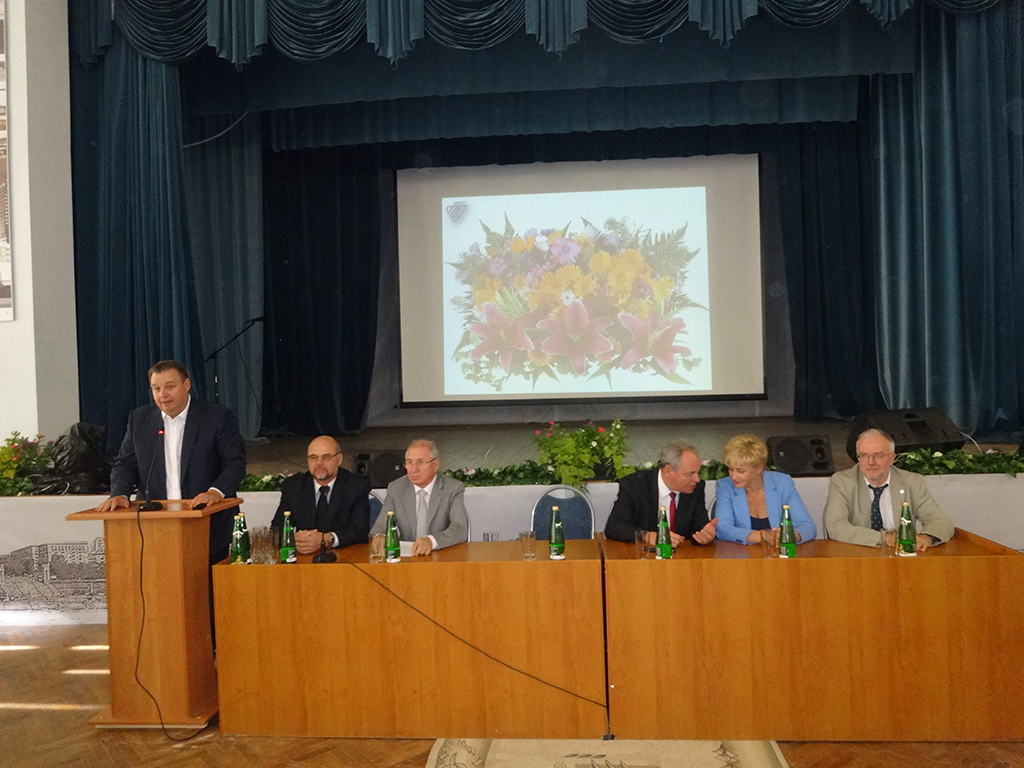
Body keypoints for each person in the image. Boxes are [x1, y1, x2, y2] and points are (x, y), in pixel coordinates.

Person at [97, 360, 247, 560]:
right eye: (156, 388)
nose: (163, 394)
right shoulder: (140, 420)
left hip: (208, 523)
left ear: (186, 385)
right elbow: (125, 464)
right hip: (155, 526)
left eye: (169, 387)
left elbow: (235, 462)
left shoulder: (216, 417)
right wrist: (119, 493)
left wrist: (215, 492)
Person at [824, 428, 954, 549]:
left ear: (892, 458)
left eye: (878, 455)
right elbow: (836, 526)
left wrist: (927, 538)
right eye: (863, 456)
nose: (870, 462)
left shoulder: (912, 482)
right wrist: (883, 538)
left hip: (901, 557)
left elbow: (941, 521)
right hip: (859, 554)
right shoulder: (843, 482)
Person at [604, 439, 718, 546]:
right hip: (644, 555)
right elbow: (614, 527)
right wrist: (646, 536)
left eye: (697, 472)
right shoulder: (635, 485)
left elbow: (699, 527)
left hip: (681, 555)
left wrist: (705, 535)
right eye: (690, 473)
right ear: (668, 470)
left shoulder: (696, 488)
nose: (697, 479)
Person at [271, 436, 371, 554]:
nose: (319, 463)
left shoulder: (356, 485)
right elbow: (277, 529)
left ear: (339, 459)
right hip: (304, 556)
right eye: (313, 458)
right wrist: (295, 540)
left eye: (326, 457)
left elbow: (360, 531)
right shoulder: (294, 486)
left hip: (343, 556)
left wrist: (329, 539)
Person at [369, 439, 469, 555]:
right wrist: (379, 536)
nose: (414, 469)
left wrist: (431, 541)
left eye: (420, 463)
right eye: (409, 463)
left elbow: (460, 529)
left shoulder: (452, 488)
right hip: (407, 558)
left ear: (435, 464)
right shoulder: (396, 488)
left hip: (441, 556)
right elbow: (379, 527)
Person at [713, 434, 816, 545]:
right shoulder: (725, 486)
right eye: (730, 469)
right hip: (741, 554)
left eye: (741, 471)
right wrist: (761, 536)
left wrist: (792, 535)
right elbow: (722, 528)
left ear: (759, 468)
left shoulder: (783, 483)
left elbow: (807, 526)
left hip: (779, 553)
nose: (733, 476)